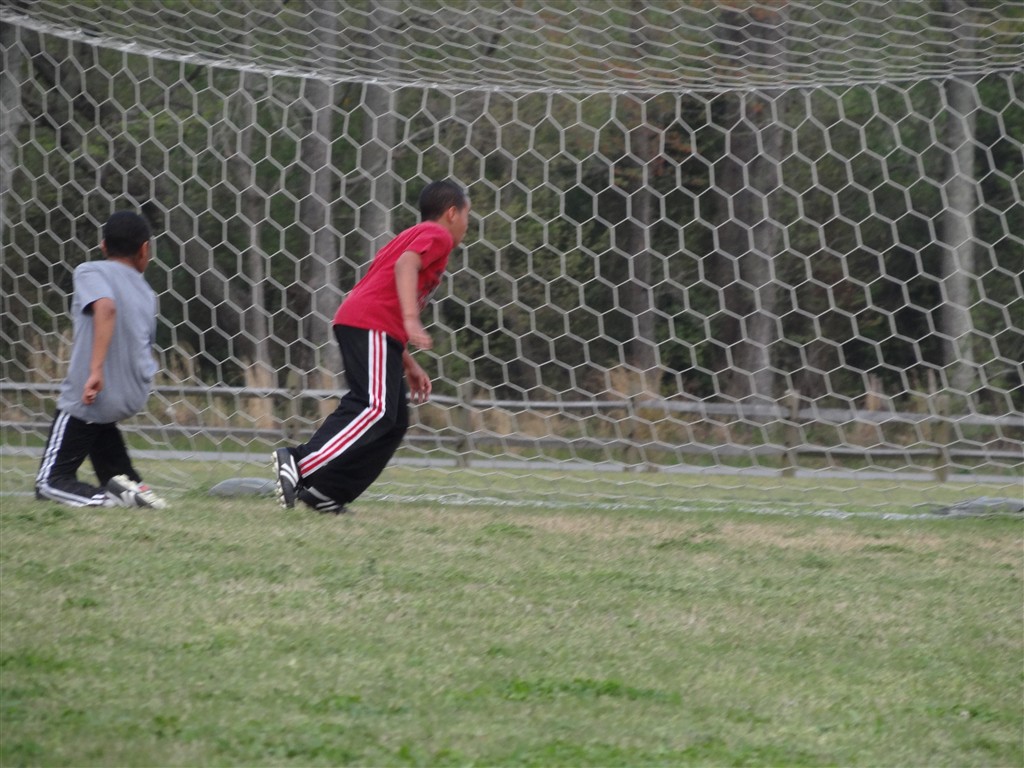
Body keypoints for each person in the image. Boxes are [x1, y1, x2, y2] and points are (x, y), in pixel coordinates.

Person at [273, 180, 471, 514]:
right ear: (452, 213)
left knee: (393, 421)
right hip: (370, 324)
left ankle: (326, 492)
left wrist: (408, 362)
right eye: (467, 215)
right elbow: (405, 266)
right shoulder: (437, 235)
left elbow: (381, 289)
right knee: (374, 407)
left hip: (371, 325)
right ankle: (300, 461)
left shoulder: (411, 235)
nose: (467, 223)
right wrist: (411, 320)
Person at [35, 210, 167, 509]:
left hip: (91, 396)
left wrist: (95, 371)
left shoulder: (90, 271)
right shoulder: (147, 293)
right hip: (131, 395)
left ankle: (109, 500)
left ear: (103, 245)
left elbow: (106, 307)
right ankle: (132, 487)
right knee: (110, 457)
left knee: (49, 483)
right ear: (145, 249)